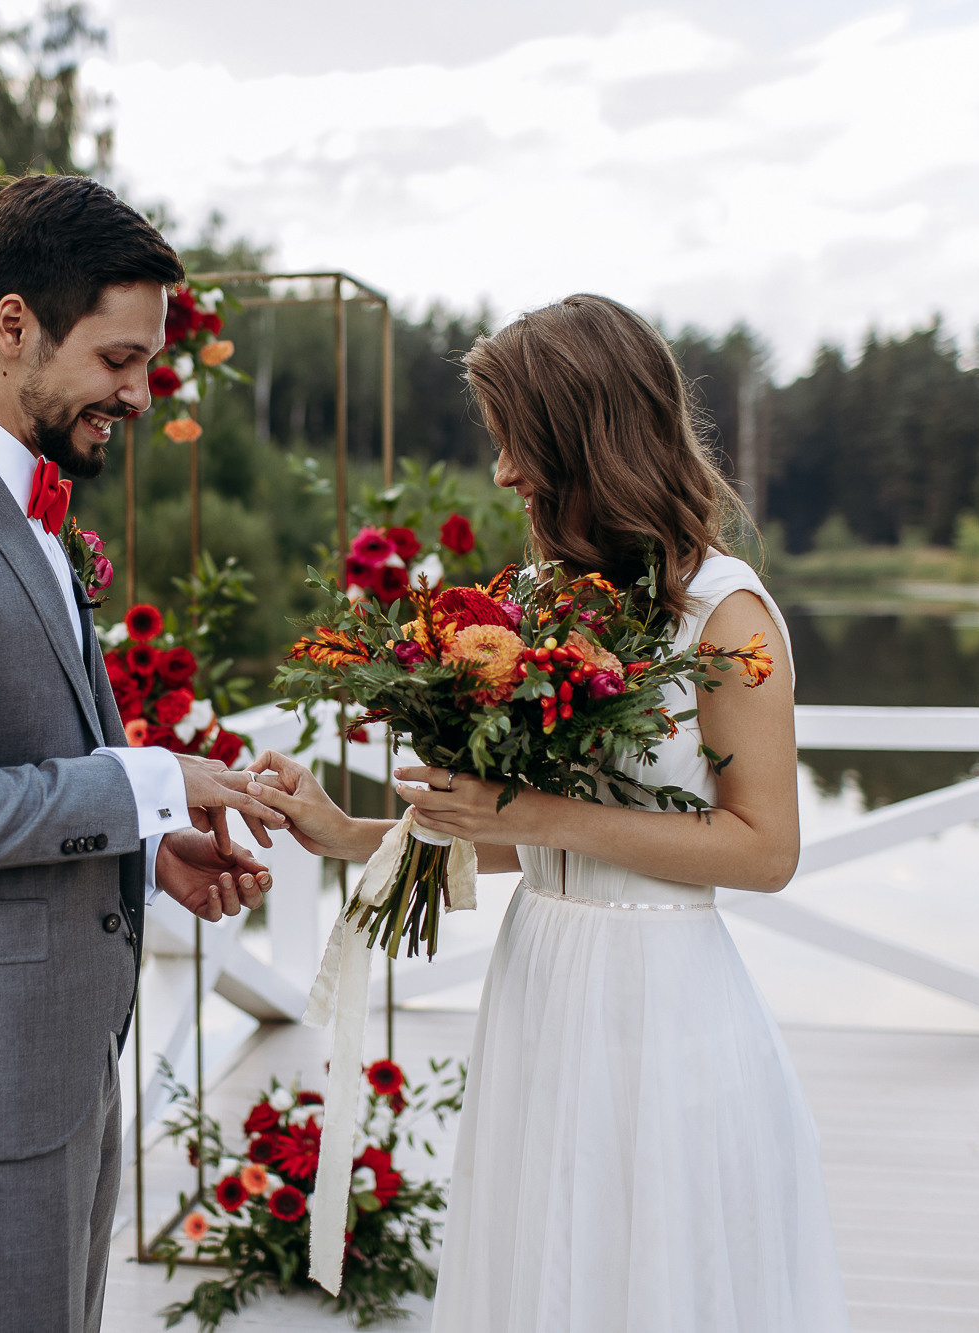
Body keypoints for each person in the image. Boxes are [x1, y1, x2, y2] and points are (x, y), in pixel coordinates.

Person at [246, 294, 850, 1331]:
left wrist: (530, 812)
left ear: (585, 434)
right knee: (543, 1269)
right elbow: (526, 837)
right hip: (541, 985)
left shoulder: (725, 611)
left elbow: (764, 849)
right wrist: (344, 833)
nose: (503, 472)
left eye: (514, 440)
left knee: (641, 1276)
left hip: (656, 1002)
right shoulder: (556, 600)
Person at [0, 174, 285, 1333]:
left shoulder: (27, 505)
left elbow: (31, 761)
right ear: (13, 325)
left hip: (59, 1062)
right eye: (119, 360)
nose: (138, 392)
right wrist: (155, 777)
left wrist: (146, 840)